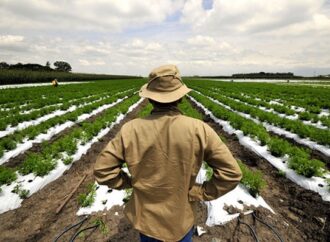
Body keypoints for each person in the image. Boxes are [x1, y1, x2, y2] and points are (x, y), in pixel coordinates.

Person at [94, 64, 242, 242]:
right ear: (180, 97)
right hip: (180, 219)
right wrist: (199, 192)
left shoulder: (130, 130)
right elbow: (232, 173)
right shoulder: (199, 129)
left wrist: (131, 183)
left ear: (150, 98)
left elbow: (103, 171)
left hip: (146, 220)